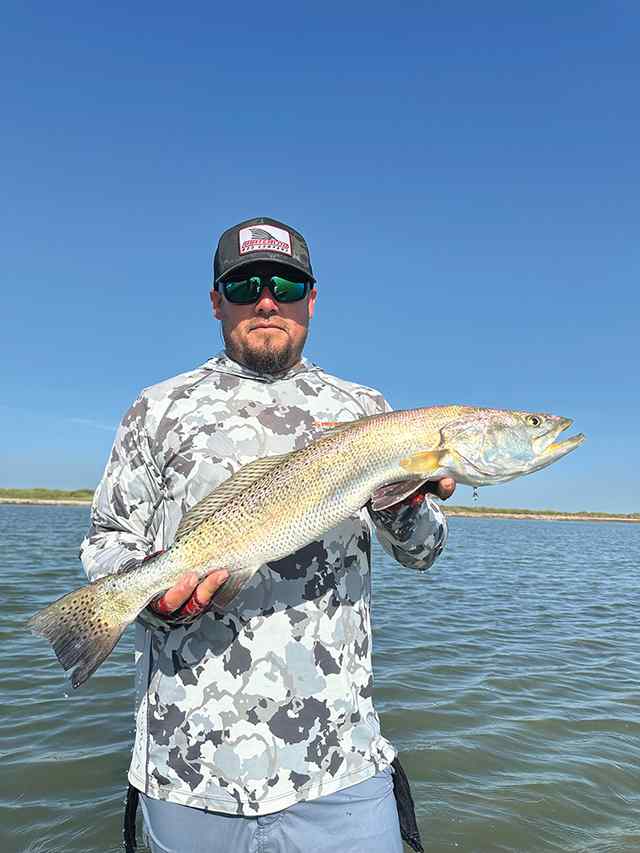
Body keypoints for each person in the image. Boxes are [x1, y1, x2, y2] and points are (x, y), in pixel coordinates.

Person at [80, 217, 455, 853]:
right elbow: (107, 537)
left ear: (311, 298)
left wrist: (403, 502)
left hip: (339, 761)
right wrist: (150, 597)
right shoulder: (158, 407)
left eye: (285, 285)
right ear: (216, 301)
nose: (265, 301)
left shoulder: (367, 411)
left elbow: (422, 552)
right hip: (190, 764)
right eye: (244, 285)